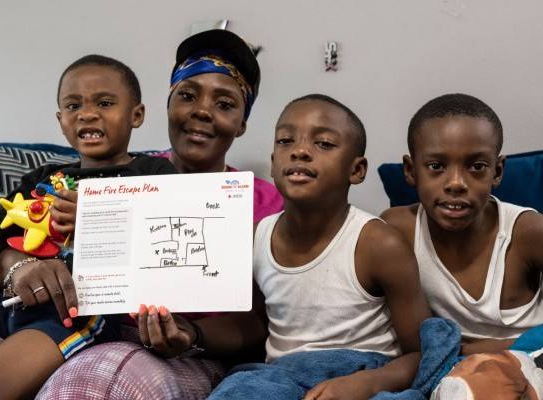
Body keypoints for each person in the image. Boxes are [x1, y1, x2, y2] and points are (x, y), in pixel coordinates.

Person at [0, 54, 177, 400]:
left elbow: (162, 238)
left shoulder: (153, 174)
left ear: (136, 115)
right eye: (73, 105)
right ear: (61, 120)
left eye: (105, 102)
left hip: (74, 311)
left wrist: (97, 218)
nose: (87, 113)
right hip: (11, 298)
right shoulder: (44, 177)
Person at [208, 94, 433, 399]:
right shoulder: (256, 238)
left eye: (323, 144)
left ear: (357, 170)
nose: (300, 151)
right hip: (282, 376)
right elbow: (256, 324)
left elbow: (421, 354)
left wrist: (365, 384)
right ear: (274, 165)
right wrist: (191, 334)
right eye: (286, 141)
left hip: (365, 374)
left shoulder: (378, 244)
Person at [381, 93, 543, 398]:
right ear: (410, 170)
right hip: (455, 376)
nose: (456, 182)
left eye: (477, 166)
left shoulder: (528, 231)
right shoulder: (395, 230)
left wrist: (474, 349)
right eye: (436, 166)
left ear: (497, 171)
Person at [157, 29, 283, 224]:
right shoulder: (125, 180)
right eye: (188, 96)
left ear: (241, 125)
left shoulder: (269, 206)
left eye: (224, 104)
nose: (202, 111)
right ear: (169, 105)